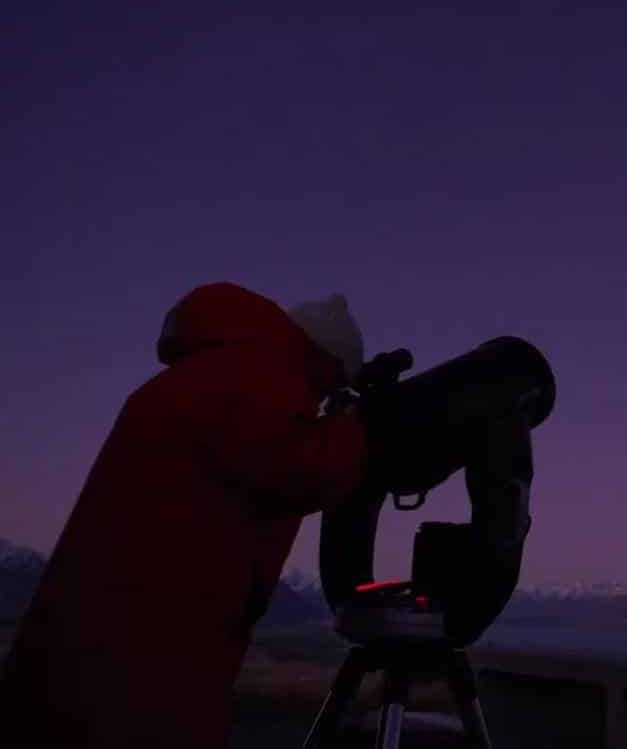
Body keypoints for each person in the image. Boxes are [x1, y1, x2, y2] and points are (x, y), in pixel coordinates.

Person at [0, 282, 371, 749]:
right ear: (325, 360)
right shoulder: (261, 377)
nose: (320, 401)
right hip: (149, 641)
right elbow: (298, 469)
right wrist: (354, 428)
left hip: (107, 625)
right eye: (332, 386)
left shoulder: (214, 370)